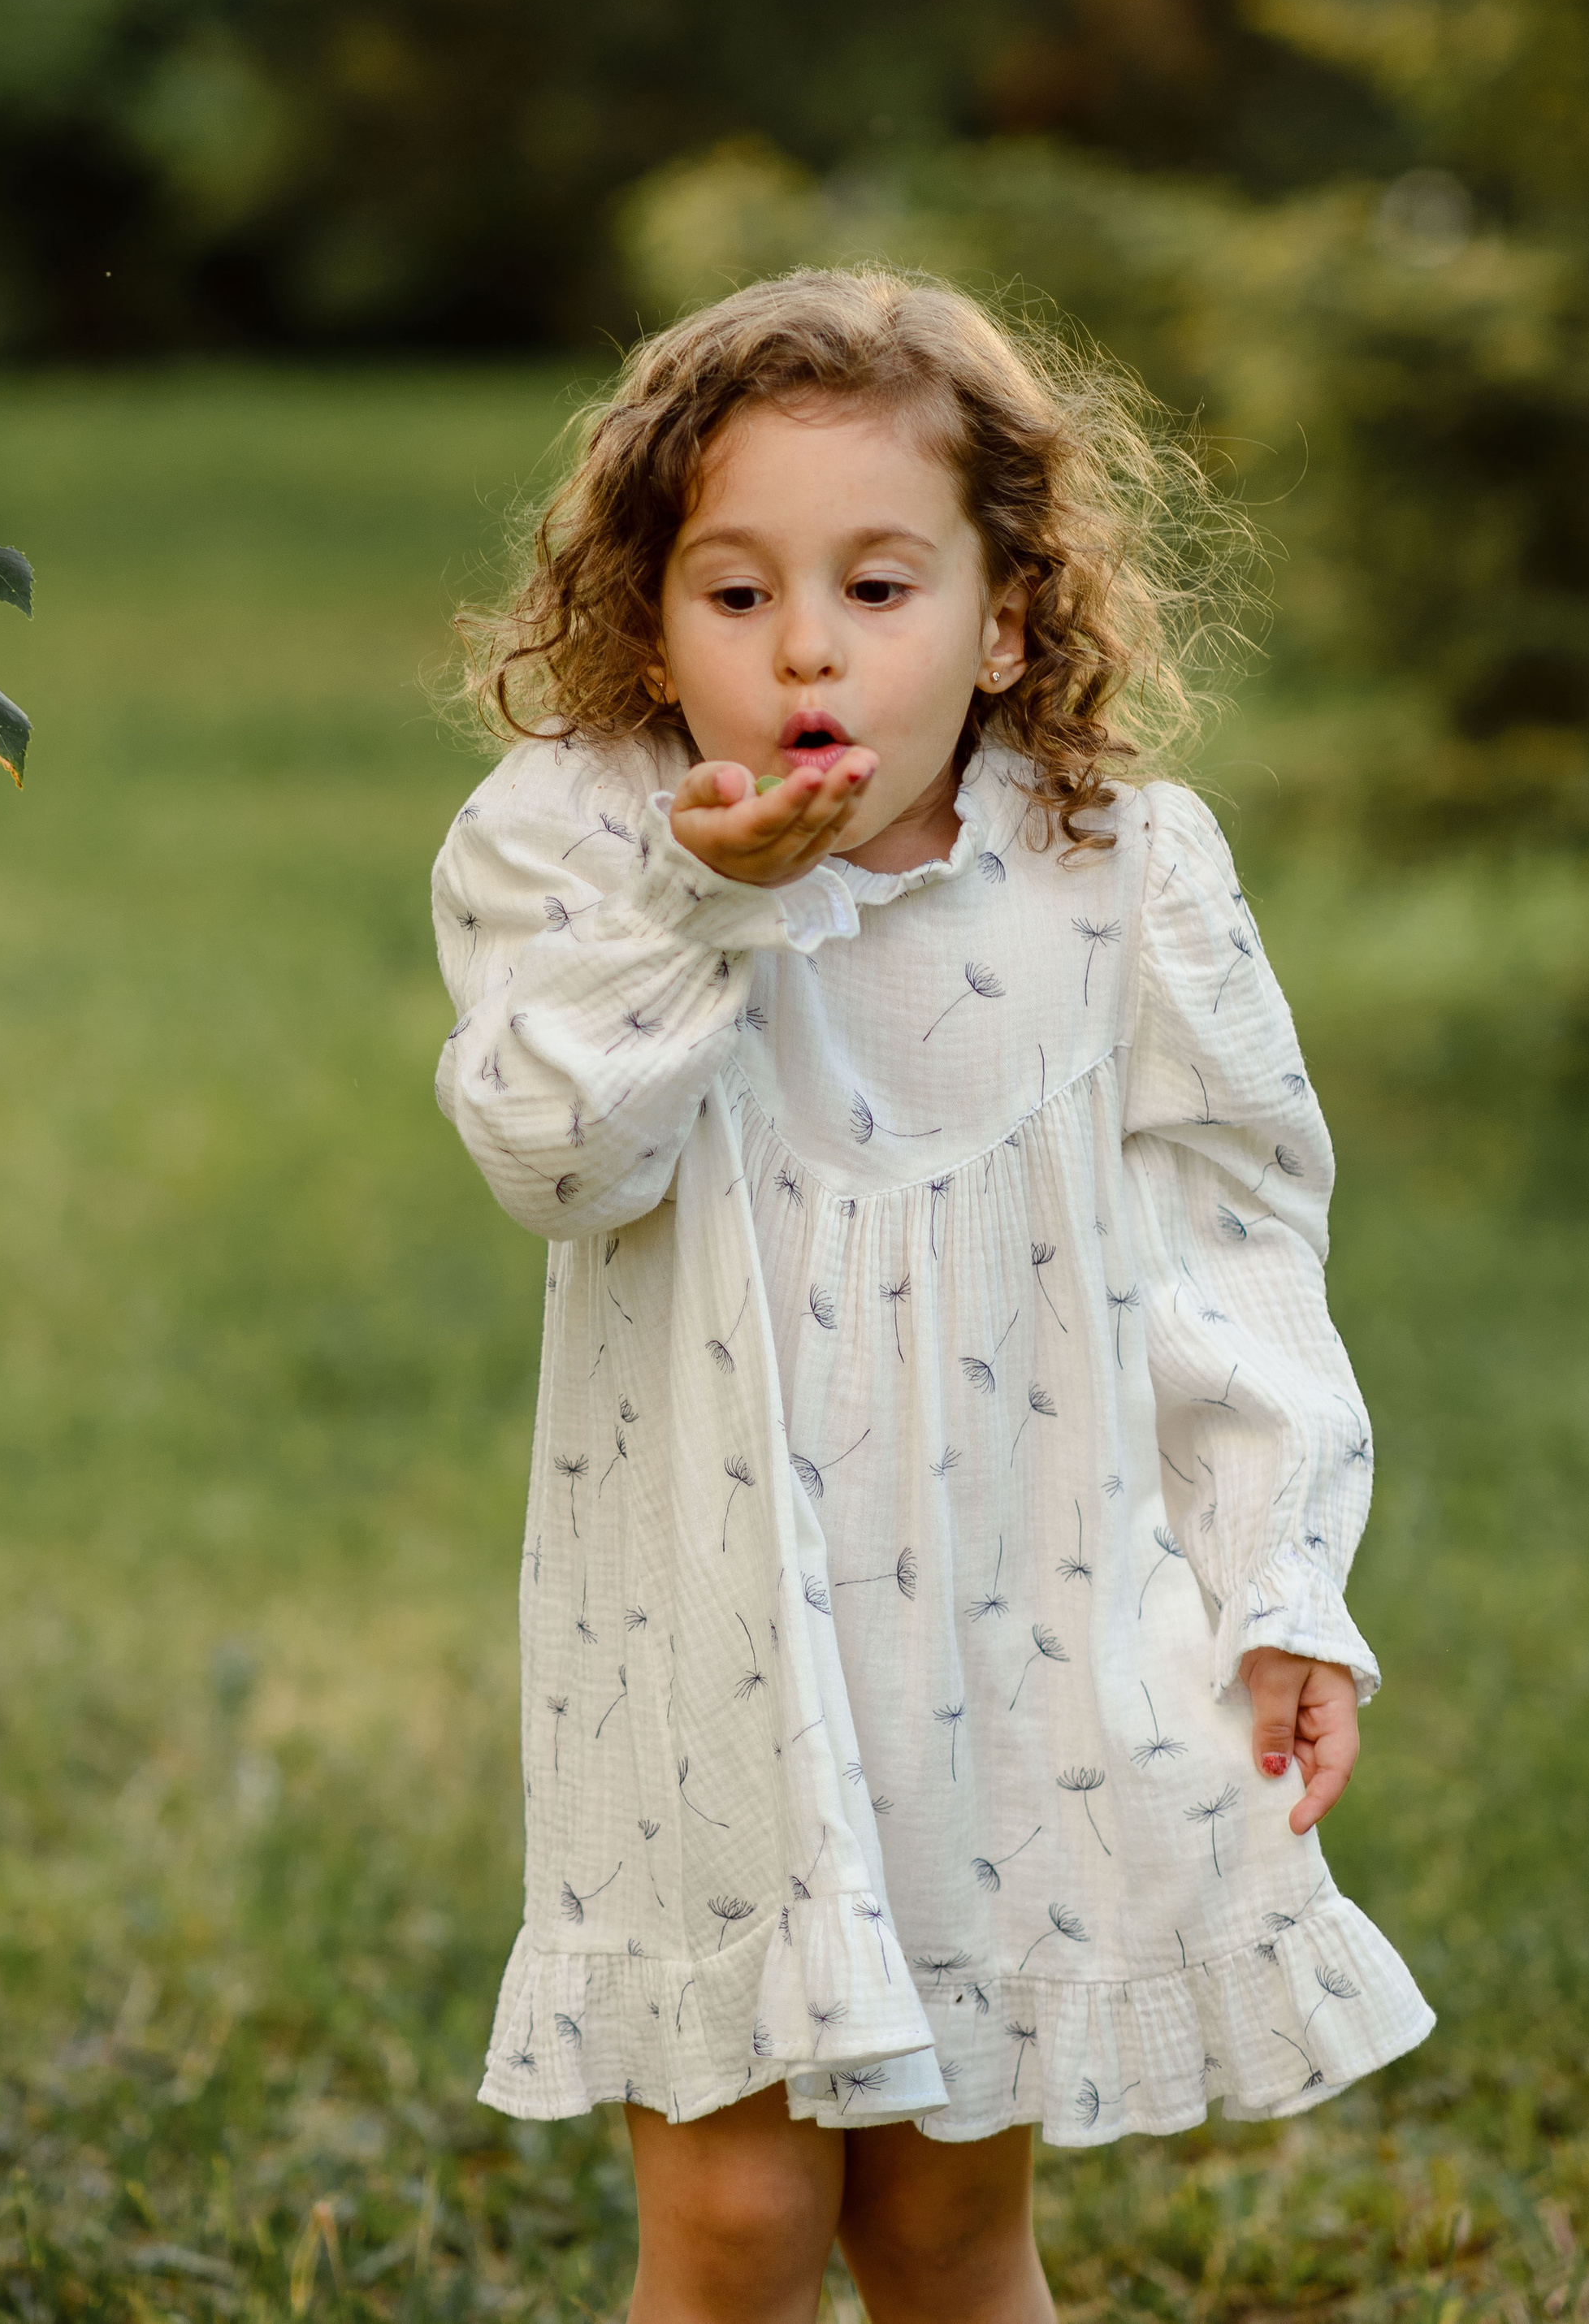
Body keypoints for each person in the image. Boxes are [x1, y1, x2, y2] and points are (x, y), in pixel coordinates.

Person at [431, 269, 1431, 2324]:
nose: (806, 645)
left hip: (1004, 1650)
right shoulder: (578, 845)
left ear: (1004, 618)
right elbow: (554, 1153)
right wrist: (709, 898)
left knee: (943, 2233)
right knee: (728, 2228)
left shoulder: (1115, 868)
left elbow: (1232, 1242)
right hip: (702, 1646)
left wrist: (1275, 1582)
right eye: (735, 594)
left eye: (877, 587)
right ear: (643, 621)